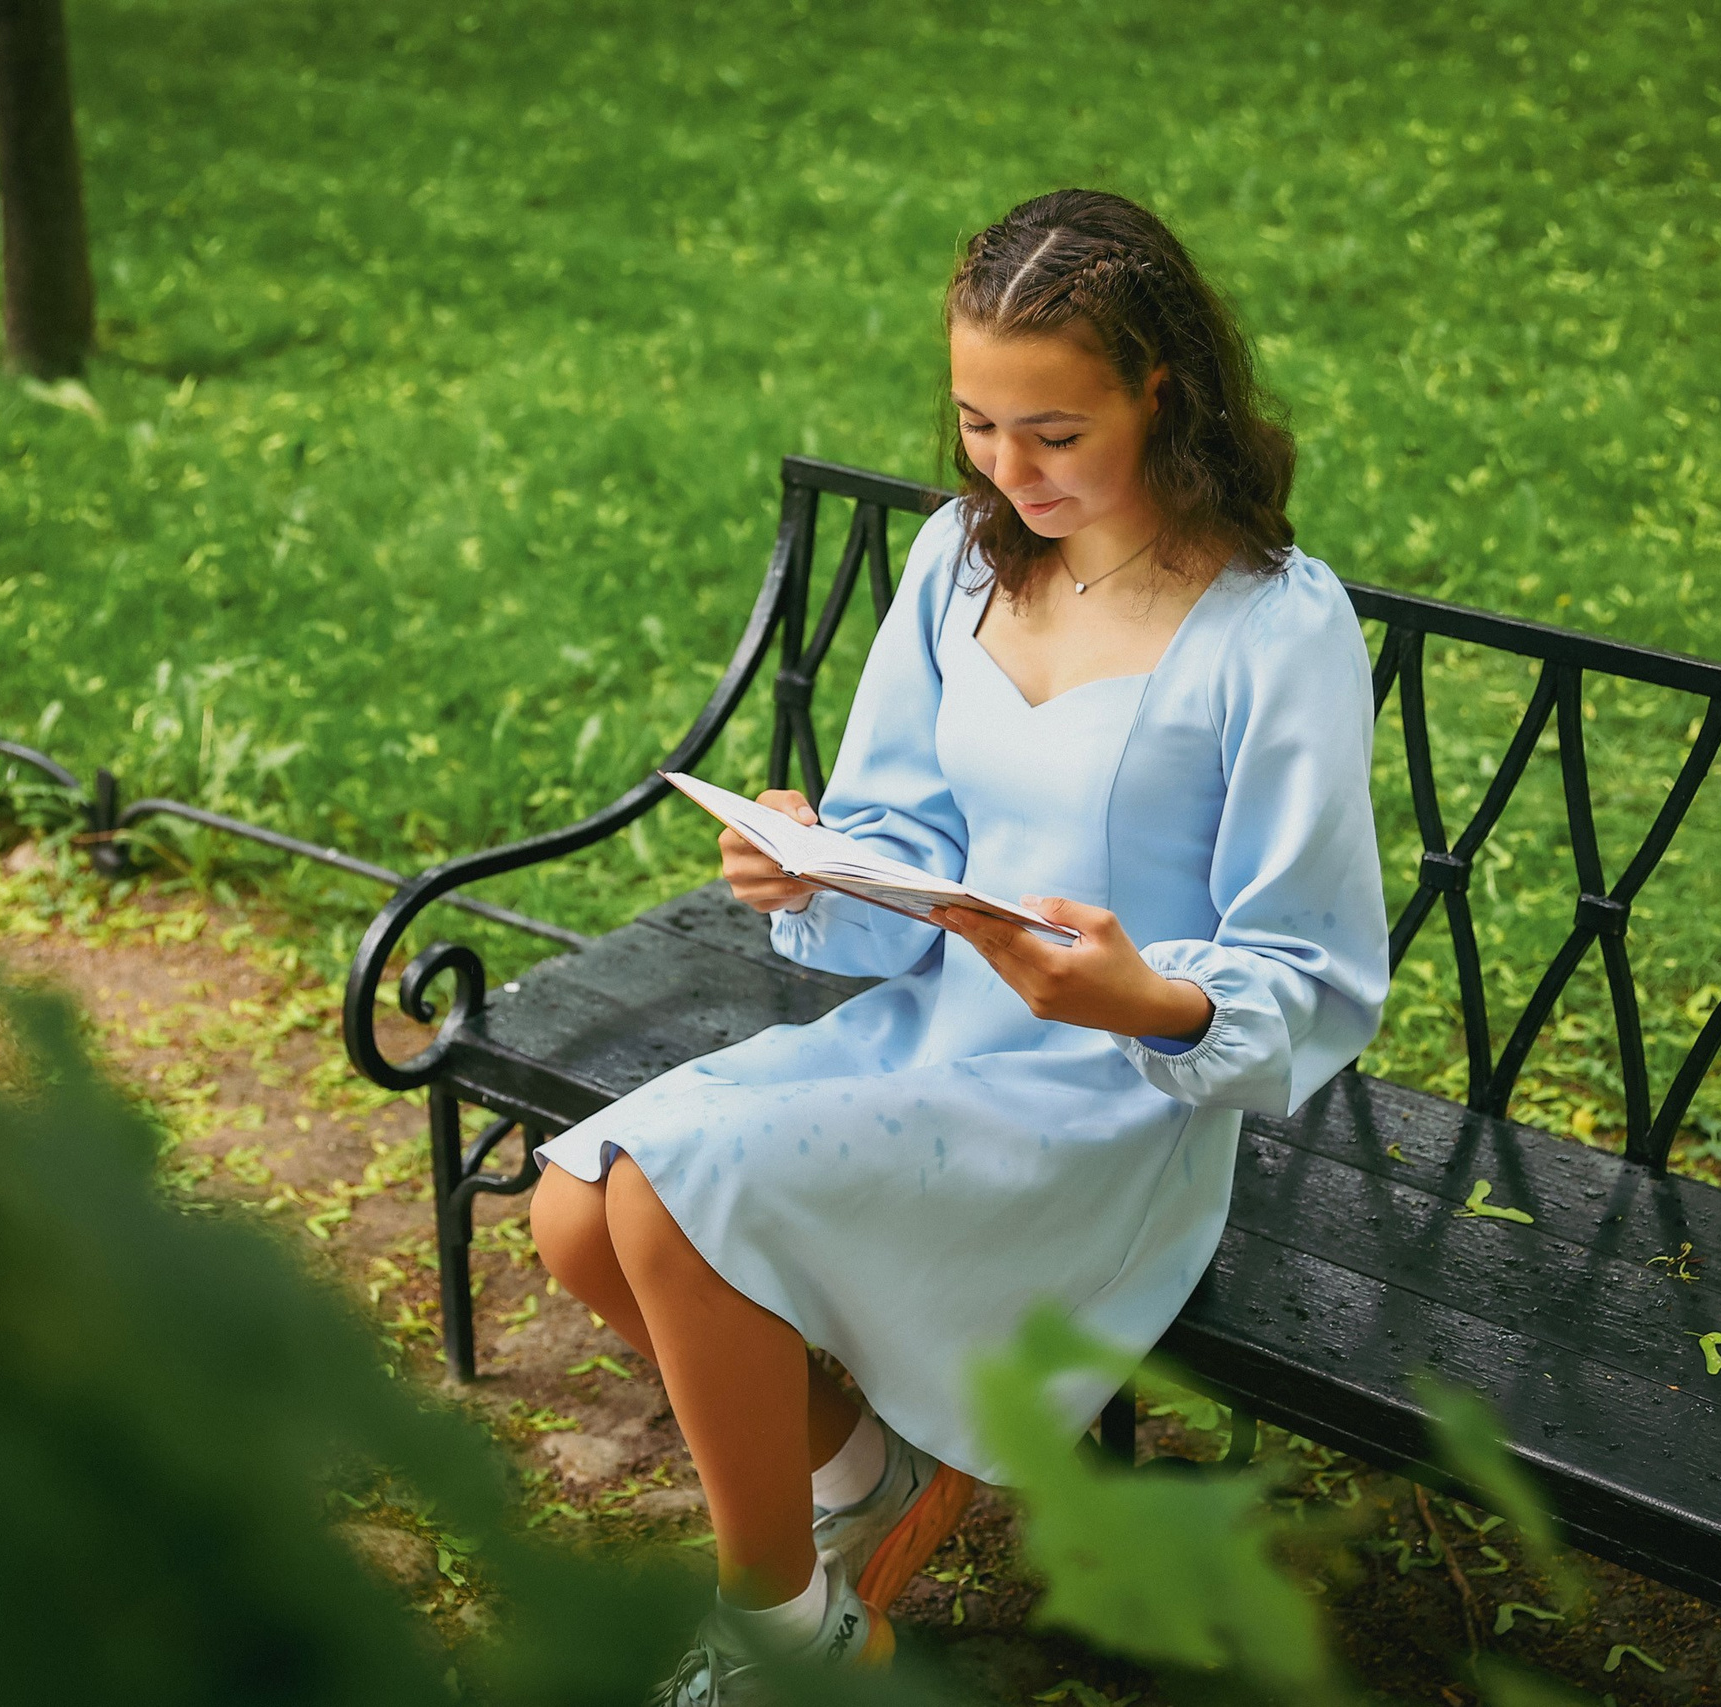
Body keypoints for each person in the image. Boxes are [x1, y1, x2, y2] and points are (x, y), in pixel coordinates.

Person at [530, 188, 1390, 1703]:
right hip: (931, 1037)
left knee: (665, 1196)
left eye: (1053, 432)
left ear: (1160, 390)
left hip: (1111, 1106)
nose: (1009, 468)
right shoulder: (963, 559)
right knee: (573, 1212)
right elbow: (905, 850)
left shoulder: (1276, 627)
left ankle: (789, 1632)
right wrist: (807, 869)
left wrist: (1151, 999)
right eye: (979, 425)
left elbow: (1312, 966)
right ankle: (860, 1475)